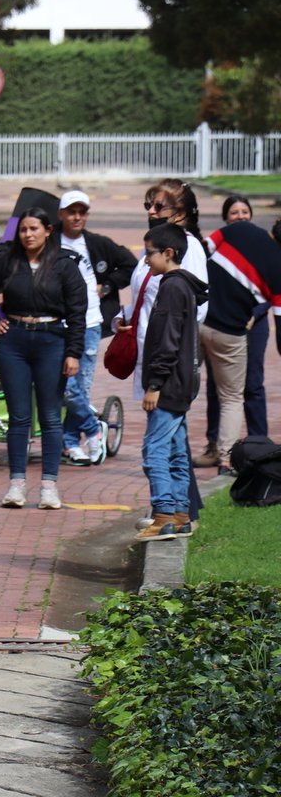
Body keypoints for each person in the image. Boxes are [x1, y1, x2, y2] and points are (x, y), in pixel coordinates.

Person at [0, 207, 87, 510]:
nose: (28, 235)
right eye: (23, 230)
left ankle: (49, 486)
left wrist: (73, 353)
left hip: (52, 342)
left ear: (48, 230)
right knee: (19, 417)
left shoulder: (64, 264)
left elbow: (77, 313)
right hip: (15, 342)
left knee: (50, 416)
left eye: (34, 229)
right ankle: (16, 485)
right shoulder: (7, 260)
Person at [116, 179, 209, 529]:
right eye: (148, 206)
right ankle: (179, 510)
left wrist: (159, 372)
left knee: (160, 445)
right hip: (155, 354)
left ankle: (167, 512)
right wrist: (124, 321)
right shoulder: (154, 250)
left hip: (166, 364)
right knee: (171, 441)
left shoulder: (186, 254)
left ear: (181, 213)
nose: (152, 212)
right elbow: (140, 297)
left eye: (159, 206)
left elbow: (191, 313)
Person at [135, 224, 208, 542]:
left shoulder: (171, 288)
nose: (145, 260)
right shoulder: (184, 287)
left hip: (169, 384)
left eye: (148, 253)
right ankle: (180, 514)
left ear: (168, 253)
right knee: (177, 451)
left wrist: (154, 385)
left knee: (155, 450)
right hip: (183, 382)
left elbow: (167, 341)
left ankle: (163, 514)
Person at [56, 190, 137, 466]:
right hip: (55, 323)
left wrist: (108, 285)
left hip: (89, 321)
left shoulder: (98, 244)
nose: (77, 217)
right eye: (71, 211)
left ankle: (71, 442)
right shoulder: (48, 240)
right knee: (65, 387)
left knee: (78, 386)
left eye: (82, 212)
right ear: (61, 214)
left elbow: (130, 264)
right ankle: (91, 430)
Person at [202, 212, 281, 474]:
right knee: (232, 398)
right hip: (229, 333)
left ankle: (169, 450)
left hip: (196, 320)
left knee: (181, 389)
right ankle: (225, 460)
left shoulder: (238, 230)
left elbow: (200, 252)